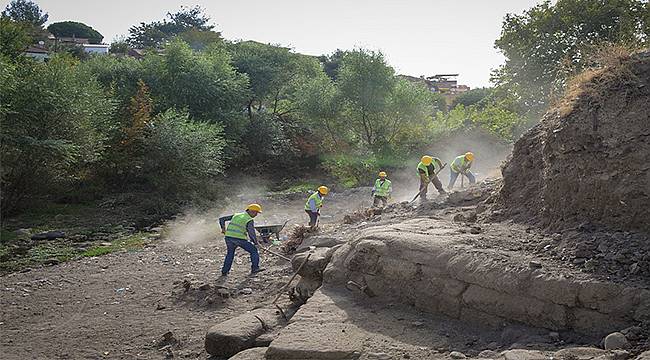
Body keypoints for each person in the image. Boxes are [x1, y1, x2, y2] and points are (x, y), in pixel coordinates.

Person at [219, 204, 265, 276]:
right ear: (251, 211)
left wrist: (223, 228)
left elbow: (221, 219)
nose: (256, 215)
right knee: (253, 250)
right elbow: (251, 233)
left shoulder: (236, 215)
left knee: (230, 254)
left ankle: (224, 271)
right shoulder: (249, 220)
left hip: (228, 237)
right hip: (239, 239)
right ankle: (255, 268)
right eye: (256, 213)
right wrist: (256, 243)